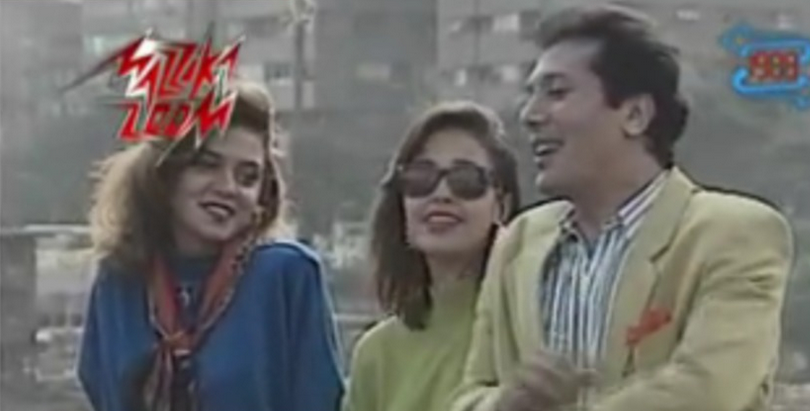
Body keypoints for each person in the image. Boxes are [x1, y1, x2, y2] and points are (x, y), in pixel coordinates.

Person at [451, 5, 794, 411]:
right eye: (531, 95)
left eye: (556, 93)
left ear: (635, 115)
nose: (529, 115)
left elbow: (709, 390)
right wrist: (506, 403)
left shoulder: (733, 233)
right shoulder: (520, 241)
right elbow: (471, 393)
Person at [77, 81, 344, 411]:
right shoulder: (119, 278)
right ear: (166, 172)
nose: (228, 188)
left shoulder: (288, 276)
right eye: (207, 164)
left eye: (247, 177)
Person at [343, 101, 522, 411]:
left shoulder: (525, 330)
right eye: (421, 177)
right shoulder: (375, 353)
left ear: (501, 205)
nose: (442, 194)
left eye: (465, 179)